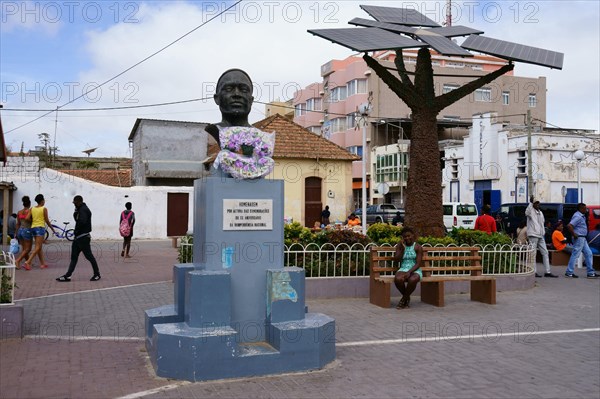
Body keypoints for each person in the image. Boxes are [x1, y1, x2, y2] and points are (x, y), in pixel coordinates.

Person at [56, 195, 101, 282]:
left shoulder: (83, 209)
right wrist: (75, 213)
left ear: (79, 202)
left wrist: (76, 231)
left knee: (89, 257)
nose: (74, 204)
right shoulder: (80, 209)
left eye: (75, 203)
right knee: (74, 257)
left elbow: (81, 222)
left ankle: (97, 274)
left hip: (83, 238)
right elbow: (78, 220)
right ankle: (67, 276)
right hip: (78, 238)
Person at [525, 196, 557, 278]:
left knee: (545, 252)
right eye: (536, 203)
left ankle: (548, 272)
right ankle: (533, 271)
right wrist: (530, 203)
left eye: (538, 203)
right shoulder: (530, 211)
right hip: (533, 234)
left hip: (540, 235)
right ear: (533, 204)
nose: (538, 205)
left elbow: (542, 223)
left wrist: (543, 233)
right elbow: (527, 212)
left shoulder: (540, 213)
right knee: (533, 253)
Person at [23, 194, 56, 270]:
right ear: (42, 201)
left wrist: (34, 221)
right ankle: (28, 262)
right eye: (44, 200)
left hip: (33, 228)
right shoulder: (44, 209)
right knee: (37, 247)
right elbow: (47, 220)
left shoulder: (32, 208)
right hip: (40, 228)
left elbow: (27, 218)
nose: (44, 201)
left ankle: (42, 264)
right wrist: (52, 228)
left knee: (39, 247)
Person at [392, 227, 423, 309]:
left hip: (415, 269)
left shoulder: (417, 247)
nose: (407, 238)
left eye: (409, 236)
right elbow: (397, 260)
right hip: (403, 268)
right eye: (405, 236)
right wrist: (402, 249)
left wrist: (409, 272)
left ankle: (403, 299)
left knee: (412, 279)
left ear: (413, 235)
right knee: (398, 279)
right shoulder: (400, 245)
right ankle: (407, 297)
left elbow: (418, 263)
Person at [565, 203, 597, 278]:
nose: (586, 210)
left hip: (582, 238)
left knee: (588, 253)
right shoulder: (578, 216)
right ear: (581, 208)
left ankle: (590, 272)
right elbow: (569, 225)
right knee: (575, 254)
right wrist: (574, 234)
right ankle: (569, 272)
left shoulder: (581, 216)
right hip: (579, 237)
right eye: (585, 208)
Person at [14, 196, 33, 269]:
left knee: (24, 248)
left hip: (20, 230)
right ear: (29, 204)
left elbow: (18, 223)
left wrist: (15, 233)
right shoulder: (30, 212)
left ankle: (28, 262)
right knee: (28, 249)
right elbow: (32, 221)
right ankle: (17, 261)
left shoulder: (19, 212)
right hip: (27, 230)